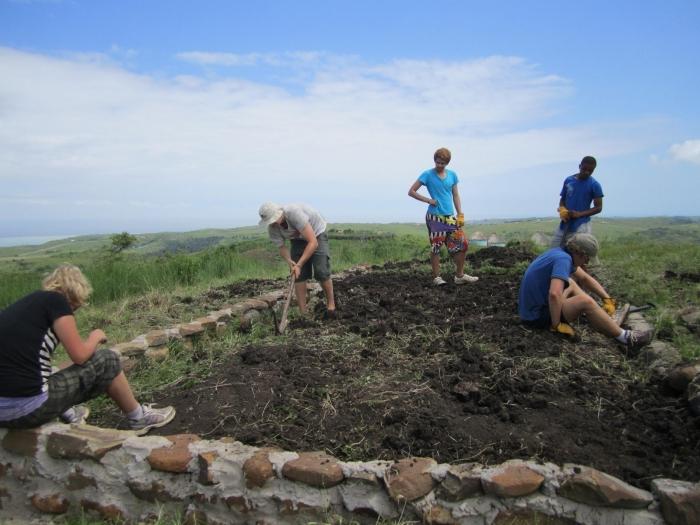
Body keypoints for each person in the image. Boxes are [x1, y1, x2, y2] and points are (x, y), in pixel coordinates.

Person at [0, 265, 176, 434]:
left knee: (54, 370)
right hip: (27, 409)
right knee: (107, 360)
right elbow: (80, 356)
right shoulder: (57, 301)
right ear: (75, 292)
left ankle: (70, 414)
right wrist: (95, 337)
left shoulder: (25, 307)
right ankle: (139, 417)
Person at [519, 233, 653, 350]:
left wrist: (607, 299)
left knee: (570, 282)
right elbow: (554, 294)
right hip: (535, 316)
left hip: (531, 309)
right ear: (580, 253)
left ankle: (596, 314)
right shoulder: (563, 260)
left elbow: (584, 278)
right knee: (585, 301)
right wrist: (557, 325)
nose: (587, 263)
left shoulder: (560, 253)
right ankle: (626, 337)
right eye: (587, 259)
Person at [408, 147, 478, 286]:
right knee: (436, 247)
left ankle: (459, 275)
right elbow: (411, 191)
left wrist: (460, 214)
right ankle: (436, 277)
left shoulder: (452, 175)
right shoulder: (427, 174)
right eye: (438, 162)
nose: (440, 165)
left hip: (450, 216)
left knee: (462, 244)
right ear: (434, 160)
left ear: (447, 163)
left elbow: (455, 195)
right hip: (435, 217)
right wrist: (428, 200)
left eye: (443, 163)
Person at [258, 202, 337, 317]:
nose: (273, 223)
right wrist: (291, 263)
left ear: (279, 213)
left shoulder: (293, 213)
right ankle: (303, 313)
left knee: (321, 270)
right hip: (297, 240)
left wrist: (299, 264)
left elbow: (313, 242)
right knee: (298, 275)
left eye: (274, 219)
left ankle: (331, 304)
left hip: (316, 234)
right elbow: (282, 248)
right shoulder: (272, 229)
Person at [551, 156, 604, 248]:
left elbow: (598, 207)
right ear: (580, 166)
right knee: (554, 249)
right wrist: (562, 210)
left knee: (578, 254)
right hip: (565, 223)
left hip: (581, 226)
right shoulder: (569, 180)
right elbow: (563, 199)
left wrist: (579, 214)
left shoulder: (594, 185)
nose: (587, 172)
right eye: (584, 169)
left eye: (590, 170)